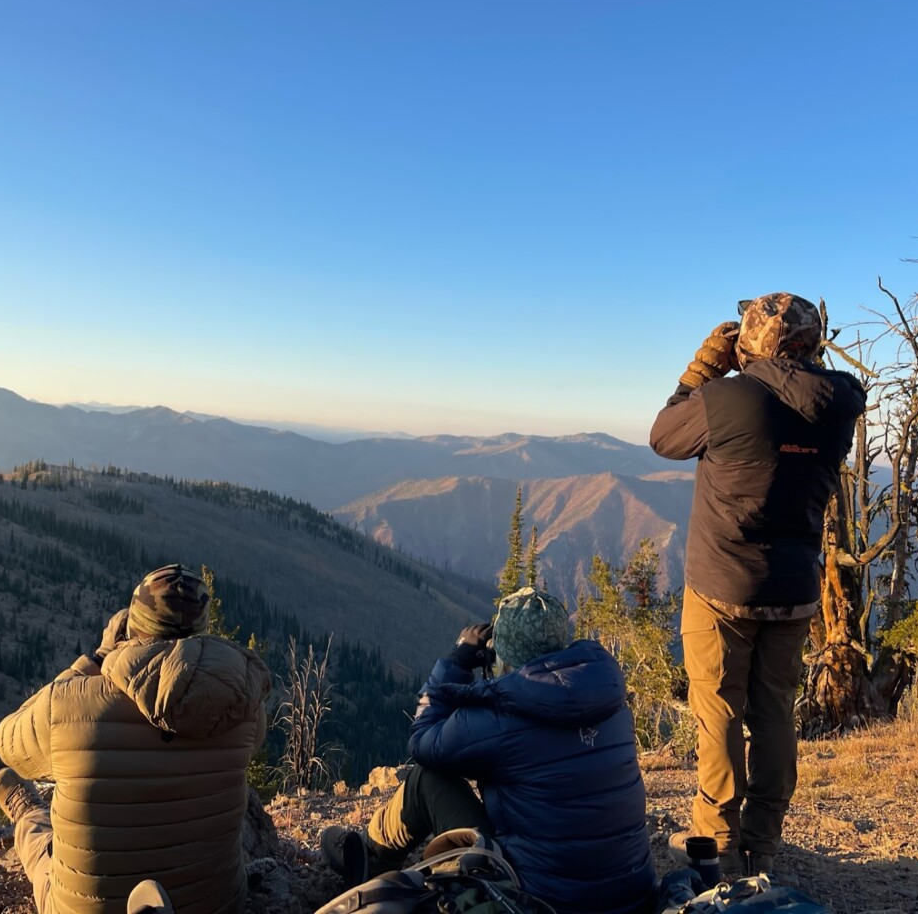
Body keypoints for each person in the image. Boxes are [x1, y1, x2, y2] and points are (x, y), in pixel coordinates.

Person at [649, 292, 866, 877]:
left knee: (718, 713)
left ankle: (717, 847)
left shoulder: (728, 399)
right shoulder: (840, 405)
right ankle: (762, 846)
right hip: (795, 588)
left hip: (722, 585)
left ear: (751, 340)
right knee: (773, 713)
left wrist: (703, 370)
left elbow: (664, 436)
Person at [320, 587, 656, 914]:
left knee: (428, 779)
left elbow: (423, 742)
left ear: (503, 659)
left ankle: (371, 857)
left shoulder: (500, 720)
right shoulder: (611, 701)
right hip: (631, 898)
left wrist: (455, 663)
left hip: (536, 903)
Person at [0, 564, 271, 914]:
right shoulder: (244, 705)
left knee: (43, 846)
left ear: (131, 627)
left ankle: (27, 810)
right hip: (218, 904)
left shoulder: (68, 704)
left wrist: (94, 661)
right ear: (202, 632)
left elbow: (7, 742)